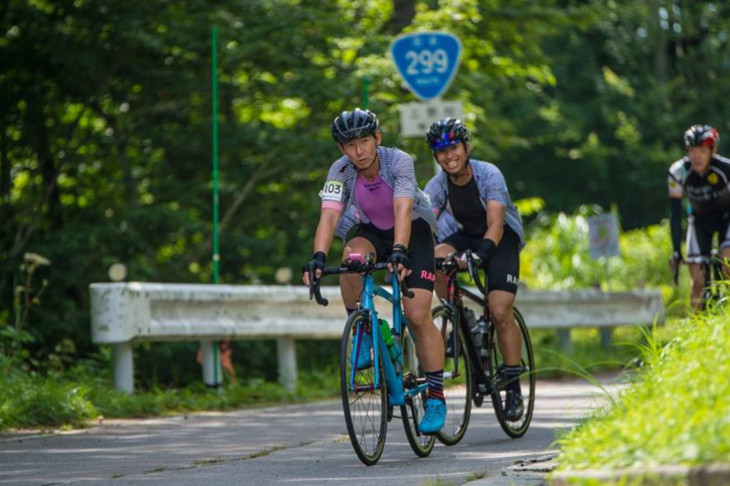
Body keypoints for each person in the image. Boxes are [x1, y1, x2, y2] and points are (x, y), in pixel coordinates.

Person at [302, 108, 447, 434]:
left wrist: (399, 251)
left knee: (417, 313)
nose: (359, 151)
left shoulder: (399, 161)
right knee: (351, 258)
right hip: (371, 230)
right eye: (350, 145)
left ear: (377, 139)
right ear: (342, 149)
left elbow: (403, 207)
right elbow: (329, 215)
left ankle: (436, 395)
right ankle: (363, 328)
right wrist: (318, 258)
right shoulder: (340, 170)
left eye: (364, 142)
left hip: (414, 229)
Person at [424, 118, 526, 421]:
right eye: (440, 151)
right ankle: (459, 313)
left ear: (467, 147)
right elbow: (425, 221)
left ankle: (514, 386)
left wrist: (481, 255)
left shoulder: (488, 174)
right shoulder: (438, 185)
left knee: (498, 310)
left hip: (500, 238)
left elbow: (495, 223)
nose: (448, 156)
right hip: (464, 234)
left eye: (453, 147)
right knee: (433, 258)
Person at [668, 124, 730, 308]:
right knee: (697, 281)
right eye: (692, 150)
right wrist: (676, 251)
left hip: (727, 217)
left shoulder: (726, 169)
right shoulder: (678, 172)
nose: (696, 156)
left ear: (712, 151)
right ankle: (696, 329)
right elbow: (675, 212)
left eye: (702, 150)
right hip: (699, 220)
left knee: (727, 263)